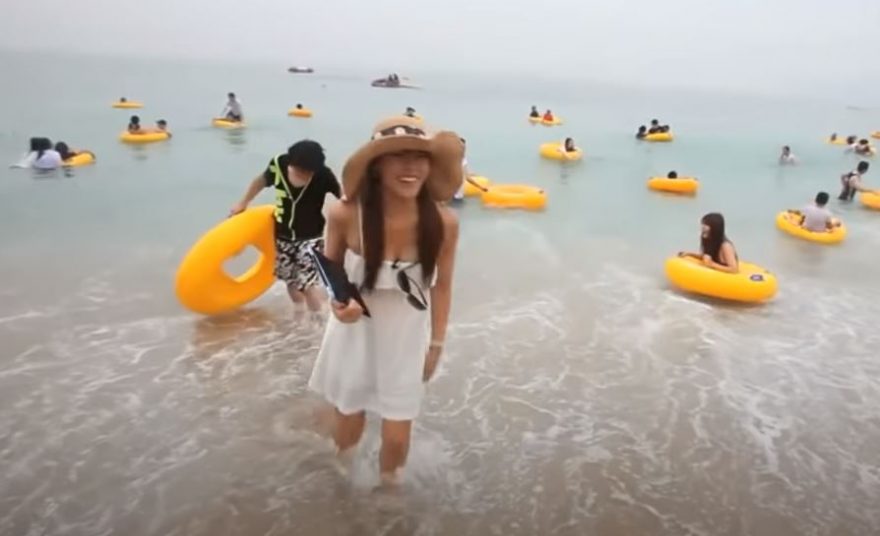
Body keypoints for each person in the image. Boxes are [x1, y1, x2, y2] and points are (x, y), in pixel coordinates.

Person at [308, 115, 461, 487]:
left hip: (407, 336)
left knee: (396, 435)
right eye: (398, 156)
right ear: (376, 166)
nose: (411, 167)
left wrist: (436, 344)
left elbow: (442, 287)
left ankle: (389, 495)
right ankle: (341, 483)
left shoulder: (443, 222)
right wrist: (340, 307)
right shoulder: (345, 214)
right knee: (350, 420)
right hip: (355, 332)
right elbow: (331, 271)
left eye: (420, 157)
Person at [230, 140, 341, 310]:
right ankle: (299, 314)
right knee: (290, 281)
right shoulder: (278, 165)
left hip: (311, 237)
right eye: (302, 171)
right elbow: (260, 182)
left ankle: (317, 319)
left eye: (309, 172)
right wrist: (243, 203)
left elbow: (344, 197)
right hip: (283, 235)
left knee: (307, 284)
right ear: (291, 163)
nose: (306, 175)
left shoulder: (323, 175)